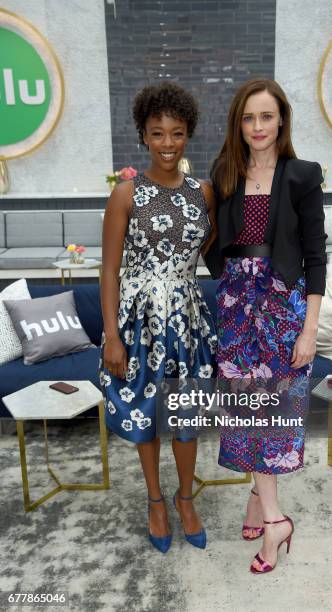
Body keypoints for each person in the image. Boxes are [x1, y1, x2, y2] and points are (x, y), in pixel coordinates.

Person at [205, 78, 327, 574]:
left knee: (270, 416)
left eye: (266, 117)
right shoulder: (225, 172)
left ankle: (275, 520)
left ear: (282, 120)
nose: (257, 127)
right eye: (248, 118)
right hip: (236, 305)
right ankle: (261, 502)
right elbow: (212, 238)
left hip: (281, 311)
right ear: (239, 123)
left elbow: (317, 256)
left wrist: (310, 328)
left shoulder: (301, 175)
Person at [99, 81, 217, 553]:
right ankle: (155, 501)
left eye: (177, 132)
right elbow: (108, 271)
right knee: (144, 413)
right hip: (138, 321)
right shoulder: (125, 194)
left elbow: (210, 251)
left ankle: (186, 498)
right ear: (143, 136)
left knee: (186, 411)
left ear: (188, 134)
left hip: (187, 319)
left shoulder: (204, 192)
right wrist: (111, 336)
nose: (167, 143)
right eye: (157, 133)